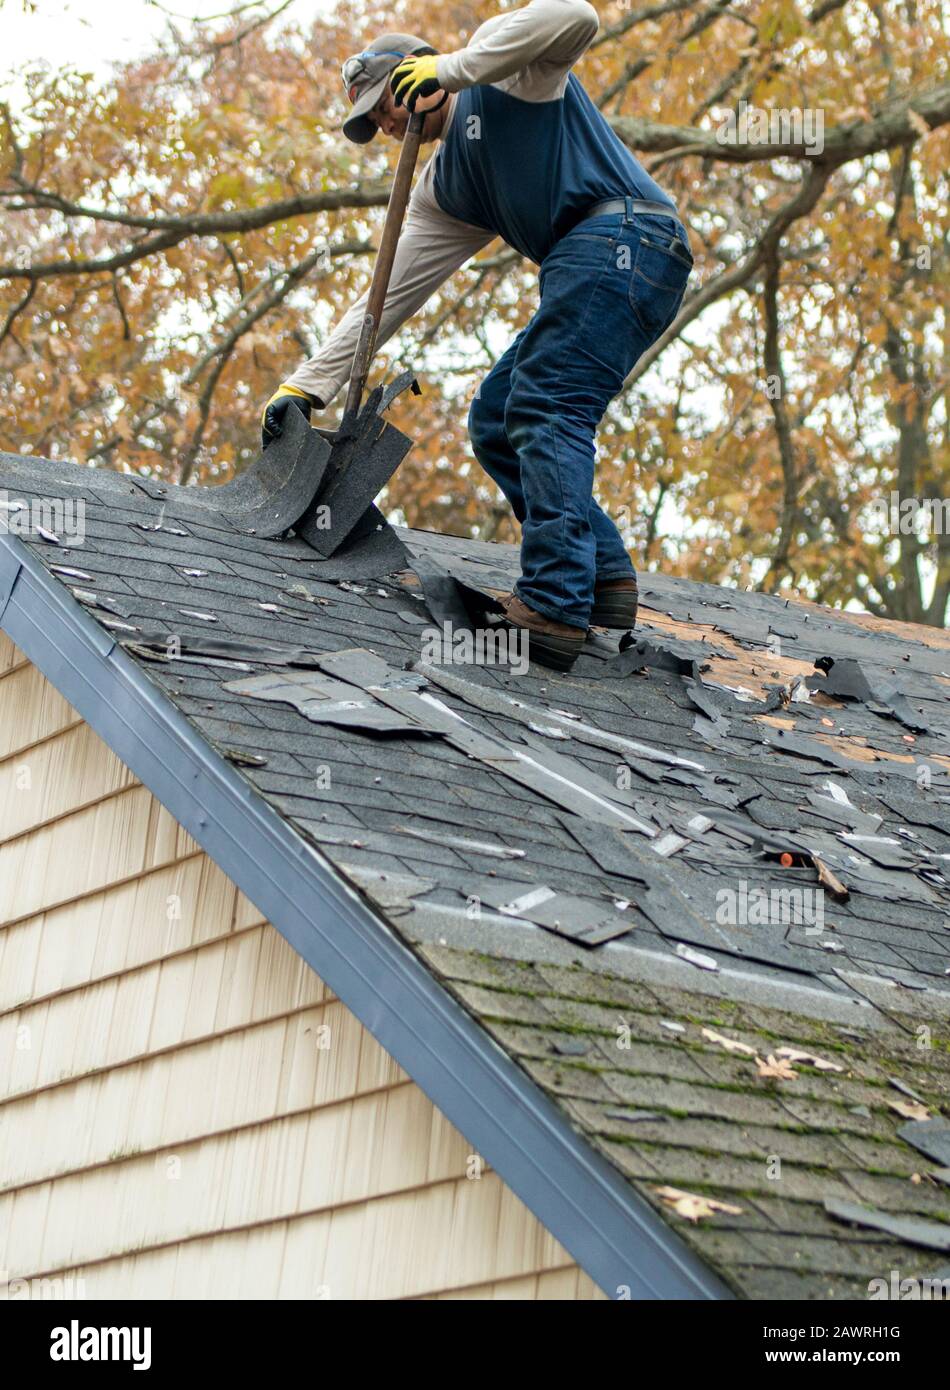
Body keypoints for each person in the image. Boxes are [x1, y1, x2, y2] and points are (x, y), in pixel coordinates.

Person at [262, 1, 693, 671]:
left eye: (388, 102)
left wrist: (453, 68)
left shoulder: (504, 70)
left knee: (545, 406)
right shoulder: (443, 191)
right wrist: (307, 385)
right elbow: (387, 293)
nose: (387, 121)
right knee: (496, 420)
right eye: (376, 119)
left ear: (417, 72)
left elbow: (577, 17)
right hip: (586, 270)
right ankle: (603, 575)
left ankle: (553, 606)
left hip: (629, 240)